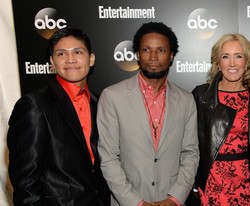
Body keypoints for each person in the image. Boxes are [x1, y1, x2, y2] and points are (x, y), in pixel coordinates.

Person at [97, 22, 199, 206]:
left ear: (172, 55)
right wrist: (135, 202)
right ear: (137, 54)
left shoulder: (186, 99)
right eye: (146, 50)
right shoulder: (112, 97)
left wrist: (175, 198)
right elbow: (109, 158)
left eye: (161, 50)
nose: (153, 57)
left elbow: (190, 154)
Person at [7, 27, 110, 205]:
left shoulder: (101, 103)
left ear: (91, 59)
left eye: (78, 52)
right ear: (52, 62)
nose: (70, 59)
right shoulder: (34, 105)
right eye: (61, 54)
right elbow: (25, 182)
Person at [189, 33, 250, 205]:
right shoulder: (201, 96)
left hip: (247, 185)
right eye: (225, 57)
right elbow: (187, 144)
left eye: (238, 56)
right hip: (212, 185)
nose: (232, 63)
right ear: (218, 61)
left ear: (247, 61)